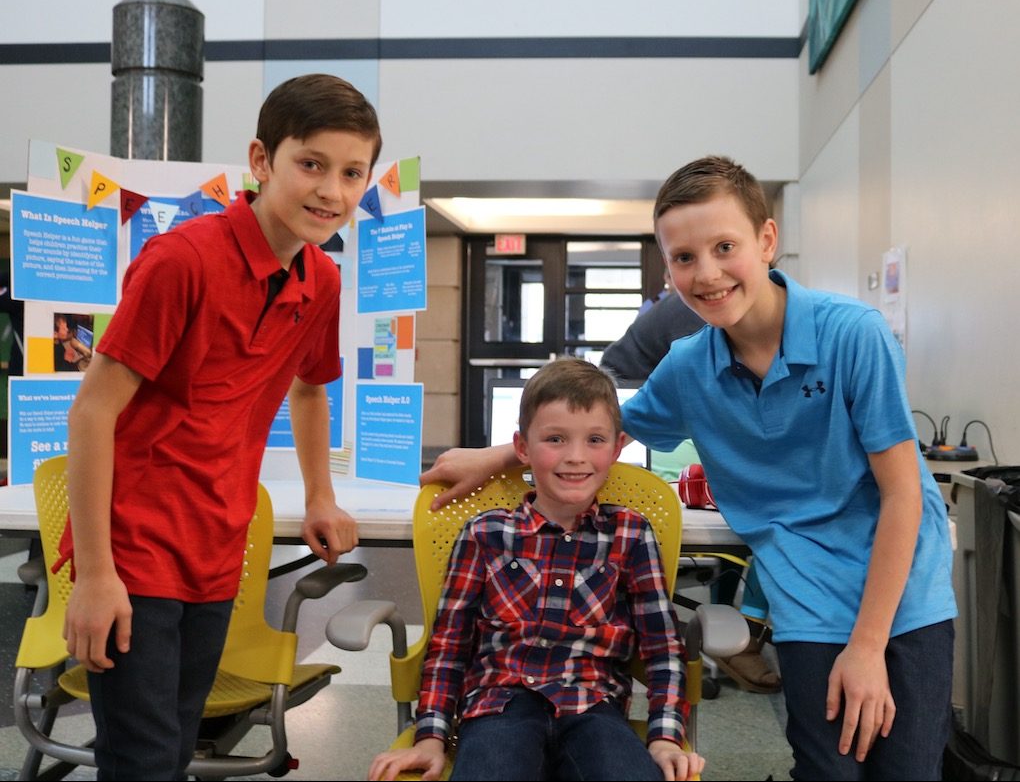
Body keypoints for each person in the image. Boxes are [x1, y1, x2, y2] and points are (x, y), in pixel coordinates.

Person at [421, 157, 957, 781]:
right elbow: (599, 435)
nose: (706, 274)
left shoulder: (853, 336)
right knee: (832, 771)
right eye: (682, 258)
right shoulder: (686, 366)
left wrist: (868, 646)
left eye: (724, 247)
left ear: (766, 240)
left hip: (902, 590)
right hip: (807, 593)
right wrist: (500, 453)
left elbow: (902, 497)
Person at [57, 73, 381, 780]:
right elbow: (92, 411)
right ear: (262, 161)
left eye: (352, 172)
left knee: (178, 747)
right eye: (312, 164)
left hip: (215, 542)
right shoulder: (181, 261)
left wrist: (320, 494)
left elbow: (310, 389)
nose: (332, 190)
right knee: (141, 759)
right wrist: (96, 573)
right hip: (134, 544)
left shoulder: (320, 280)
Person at [370, 358, 703, 782]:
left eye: (594, 439)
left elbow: (662, 648)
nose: (576, 457)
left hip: (594, 705)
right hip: (498, 705)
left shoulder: (631, 534)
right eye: (556, 439)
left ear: (618, 448)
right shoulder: (485, 533)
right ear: (522, 447)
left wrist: (664, 736)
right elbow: (449, 645)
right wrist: (430, 736)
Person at [601, 284, 781, 695]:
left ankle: (735, 631)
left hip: (657, 400)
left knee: (754, 514)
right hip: (637, 396)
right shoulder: (704, 323)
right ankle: (741, 635)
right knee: (746, 503)